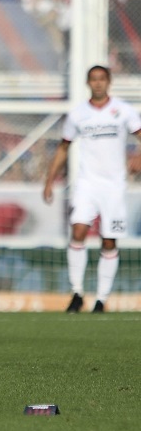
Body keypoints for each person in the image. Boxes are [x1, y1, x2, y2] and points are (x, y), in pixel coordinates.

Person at [43, 65, 141, 313]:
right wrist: (49, 180)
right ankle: (77, 293)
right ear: (88, 83)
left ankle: (101, 299)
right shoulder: (78, 114)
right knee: (78, 230)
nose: (97, 83)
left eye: (102, 79)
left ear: (109, 82)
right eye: (93, 79)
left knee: (109, 240)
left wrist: (138, 157)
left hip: (114, 187)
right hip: (86, 184)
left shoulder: (124, 111)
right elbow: (63, 148)